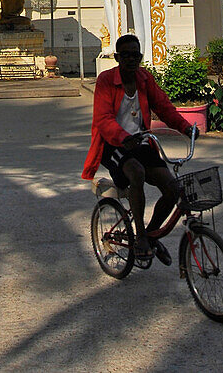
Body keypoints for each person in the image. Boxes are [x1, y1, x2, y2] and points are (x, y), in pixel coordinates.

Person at [82, 33, 194, 263]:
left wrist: (185, 127)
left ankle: (151, 235)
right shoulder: (106, 81)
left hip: (140, 142)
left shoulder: (144, 79)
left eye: (136, 55)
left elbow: (163, 107)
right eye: (126, 55)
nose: (132, 60)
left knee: (172, 188)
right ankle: (140, 236)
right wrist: (123, 137)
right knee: (137, 172)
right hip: (113, 144)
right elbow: (103, 119)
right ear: (117, 57)